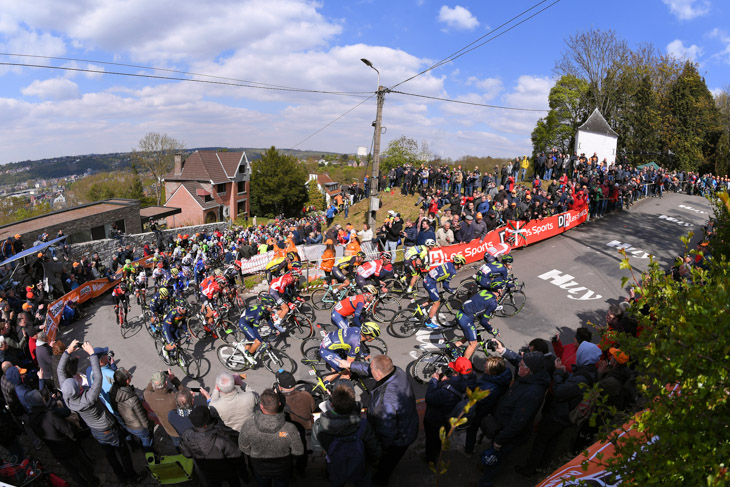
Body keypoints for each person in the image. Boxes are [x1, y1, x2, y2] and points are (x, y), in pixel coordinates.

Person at [57, 339, 143, 484]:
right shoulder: (88, 398)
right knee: (123, 452)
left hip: (95, 431)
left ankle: (121, 478)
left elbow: (60, 370)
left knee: (110, 455)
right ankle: (132, 477)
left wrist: (68, 351)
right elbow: (98, 377)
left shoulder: (68, 397)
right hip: (108, 428)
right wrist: (92, 355)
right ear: (78, 389)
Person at [516, 341, 602, 477]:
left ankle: (530, 469)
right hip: (565, 415)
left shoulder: (581, 378)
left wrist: (557, 373)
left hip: (559, 415)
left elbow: (559, 391)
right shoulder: (590, 371)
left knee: (541, 440)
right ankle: (542, 466)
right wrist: (565, 373)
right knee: (552, 441)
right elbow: (573, 385)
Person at [478, 351, 551, 487]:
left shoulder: (531, 394)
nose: (519, 365)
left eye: (522, 365)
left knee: (496, 460)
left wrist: (500, 439)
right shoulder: (530, 378)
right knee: (493, 457)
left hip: (507, 435)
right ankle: (486, 468)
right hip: (501, 427)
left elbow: (518, 422)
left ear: (529, 371)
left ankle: (484, 482)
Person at [343, 355, 417, 486]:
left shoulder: (385, 401)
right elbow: (371, 368)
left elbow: (386, 431)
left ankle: (379, 481)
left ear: (377, 373)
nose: (369, 371)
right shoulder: (396, 371)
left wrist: (378, 449)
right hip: (409, 425)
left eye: (371, 369)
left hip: (397, 440)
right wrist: (351, 365)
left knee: (385, 465)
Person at [26, 389, 104, 487]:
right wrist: (74, 438)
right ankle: (95, 483)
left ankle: (83, 484)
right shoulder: (49, 416)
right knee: (83, 467)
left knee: (72, 471)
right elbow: (67, 430)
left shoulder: (31, 419)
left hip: (55, 451)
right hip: (68, 447)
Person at [312, 381, 382, 487]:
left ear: (332, 403)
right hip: (360, 465)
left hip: (335, 465)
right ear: (353, 402)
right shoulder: (363, 424)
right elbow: (373, 448)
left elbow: (317, 447)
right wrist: (375, 460)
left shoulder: (319, 424)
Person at [238, 388, 304, 487]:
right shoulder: (290, 428)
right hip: (283, 468)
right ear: (279, 404)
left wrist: (254, 453)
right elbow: (298, 451)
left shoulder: (248, 426)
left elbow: (243, 447)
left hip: (259, 467)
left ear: (261, 406)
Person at [423, 357, 477, 464]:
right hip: (451, 419)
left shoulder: (447, 390)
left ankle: (431, 459)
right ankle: (438, 451)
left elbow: (429, 398)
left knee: (432, 440)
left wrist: (434, 381)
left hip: (436, 420)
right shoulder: (473, 382)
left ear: (456, 372)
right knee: (441, 439)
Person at [180, 405, 243, 487]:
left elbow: (187, 455)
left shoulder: (186, 437)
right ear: (206, 424)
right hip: (227, 470)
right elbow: (236, 455)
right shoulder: (220, 439)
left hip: (207, 472)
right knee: (234, 483)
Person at [463, 357, 512, 455]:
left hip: (482, 410)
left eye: (486, 368)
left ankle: (468, 450)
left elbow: (477, 400)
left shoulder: (487, 388)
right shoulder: (505, 374)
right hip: (494, 405)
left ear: (492, 372)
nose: (484, 368)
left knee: (472, 428)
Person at [456, 280, 504, 360]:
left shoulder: (484, 291)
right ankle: (462, 365)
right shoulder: (493, 303)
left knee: (470, 334)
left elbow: (479, 305)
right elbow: (483, 321)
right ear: (499, 290)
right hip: (466, 318)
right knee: (473, 343)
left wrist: (485, 320)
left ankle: (454, 347)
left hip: (461, 313)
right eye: (502, 289)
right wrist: (492, 330)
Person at [109, 367, 154, 451]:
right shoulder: (133, 399)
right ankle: (149, 454)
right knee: (146, 438)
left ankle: (137, 447)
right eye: (129, 375)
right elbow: (142, 418)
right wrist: (148, 427)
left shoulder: (113, 390)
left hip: (127, 424)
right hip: (137, 427)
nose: (130, 375)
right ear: (127, 381)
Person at [423, 254, 466, 329]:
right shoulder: (453, 272)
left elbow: (442, 275)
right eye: (462, 265)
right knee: (437, 303)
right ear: (459, 264)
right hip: (430, 283)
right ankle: (428, 322)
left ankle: (419, 308)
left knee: (434, 298)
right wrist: (452, 291)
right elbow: (445, 285)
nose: (461, 266)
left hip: (427, 279)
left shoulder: (449, 263)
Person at [144, 370, 185, 447]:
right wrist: (173, 379)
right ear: (166, 383)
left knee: (178, 445)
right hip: (181, 428)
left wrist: (156, 378)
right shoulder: (174, 397)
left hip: (169, 429)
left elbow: (148, 389)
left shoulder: (148, 396)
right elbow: (184, 393)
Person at [237, 295, 283, 362]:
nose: (273, 308)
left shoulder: (266, 310)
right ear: (265, 306)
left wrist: (274, 329)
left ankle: (246, 352)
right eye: (272, 307)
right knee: (258, 341)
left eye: (274, 306)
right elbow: (255, 330)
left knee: (251, 339)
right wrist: (261, 342)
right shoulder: (259, 313)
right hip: (244, 323)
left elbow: (268, 319)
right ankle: (249, 356)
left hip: (250, 321)